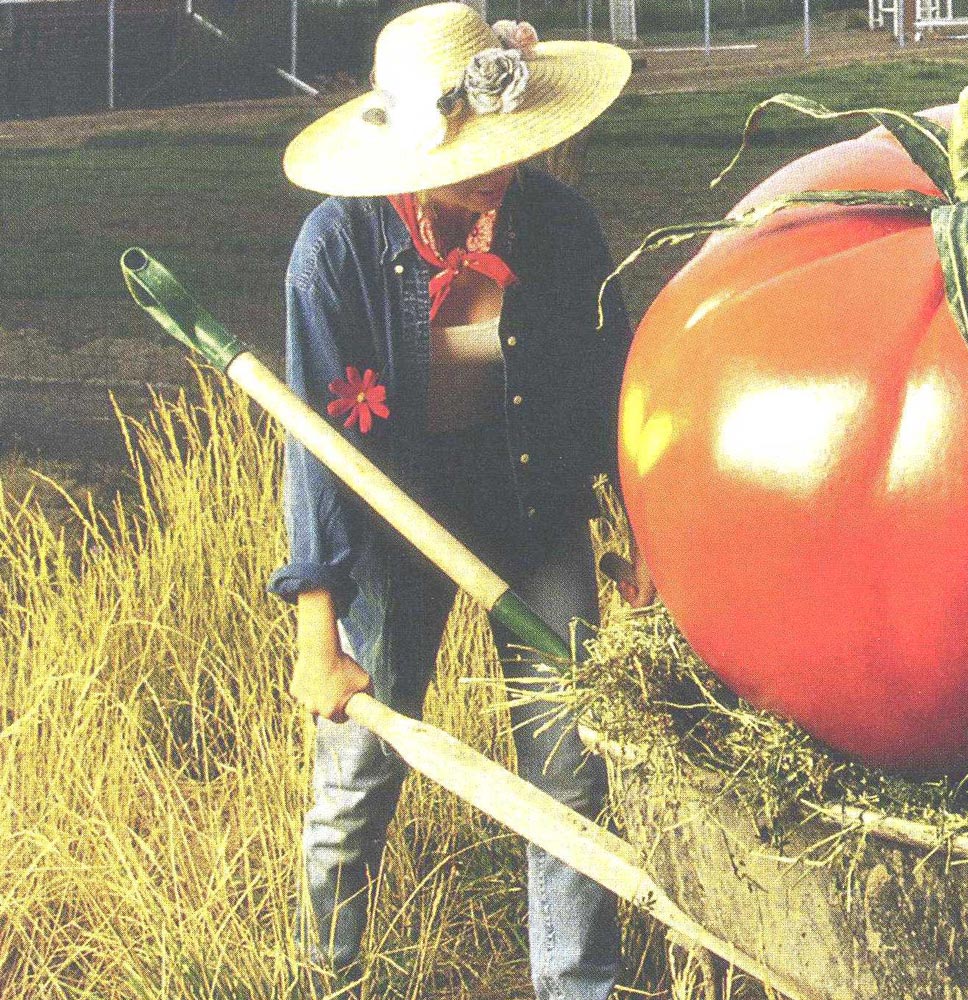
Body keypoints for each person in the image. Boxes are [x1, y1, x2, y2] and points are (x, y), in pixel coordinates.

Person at [269, 4, 650, 997]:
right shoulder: (335, 252)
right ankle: (328, 974)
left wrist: (642, 534)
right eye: (468, 153)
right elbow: (314, 449)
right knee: (358, 773)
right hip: (398, 528)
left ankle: (577, 983)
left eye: (506, 148)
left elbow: (615, 387)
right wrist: (319, 632)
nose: (495, 170)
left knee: (569, 772)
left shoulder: (558, 228)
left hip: (532, 512)